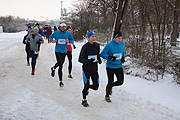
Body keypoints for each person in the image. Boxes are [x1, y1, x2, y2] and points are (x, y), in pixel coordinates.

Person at [100, 31, 125, 103]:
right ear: (115, 38)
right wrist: (109, 57)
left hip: (119, 66)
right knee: (110, 81)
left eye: (121, 38)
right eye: (118, 38)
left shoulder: (122, 44)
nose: (120, 40)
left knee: (120, 82)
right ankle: (107, 96)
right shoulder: (109, 45)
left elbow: (123, 52)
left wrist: (123, 58)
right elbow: (102, 54)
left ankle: (110, 87)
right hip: (110, 66)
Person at [78, 30, 102, 107]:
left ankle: (87, 88)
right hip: (86, 70)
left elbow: (97, 54)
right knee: (86, 85)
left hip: (94, 69)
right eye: (92, 36)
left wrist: (99, 60)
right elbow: (80, 59)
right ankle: (84, 100)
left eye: (94, 36)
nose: (94, 38)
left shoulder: (97, 45)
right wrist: (88, 61)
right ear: (88, 38)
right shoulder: (85, 47)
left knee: (96, 87)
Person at [50, 22, 74, 87]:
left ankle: (53, 68)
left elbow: (72, 40)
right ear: (60, 27)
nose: (63, 28)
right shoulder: (56, 33)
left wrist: (69, 41)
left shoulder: (68, 33)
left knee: (61, 63)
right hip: (58, 50)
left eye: (64, 27)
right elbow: (50, 37)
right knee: (60, 64)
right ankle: (60, 81)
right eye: (62, 27)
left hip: (64, 51)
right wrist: (52, 40)